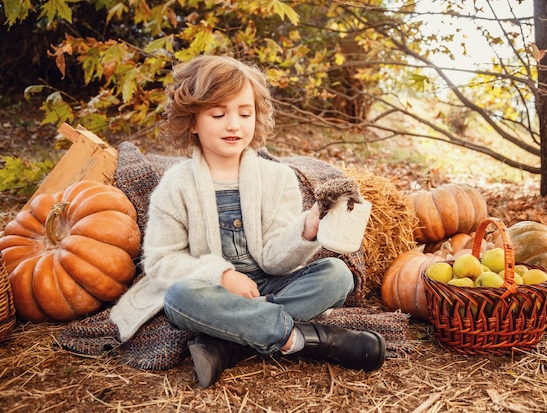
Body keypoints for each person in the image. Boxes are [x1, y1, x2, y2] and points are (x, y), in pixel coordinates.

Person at [109, 55, 385, 388]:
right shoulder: (176, 184)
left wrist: (309, 225)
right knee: (178, 297)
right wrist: (221, 275)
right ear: (193, 122)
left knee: (337, 275)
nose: (234, 125)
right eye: (218, 114)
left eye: (244, 113)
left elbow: (275, 259)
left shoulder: (277, 178)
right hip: (210, 290)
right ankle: (308, 339)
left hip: (267, 284)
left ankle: (229, 343)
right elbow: (160, 261)